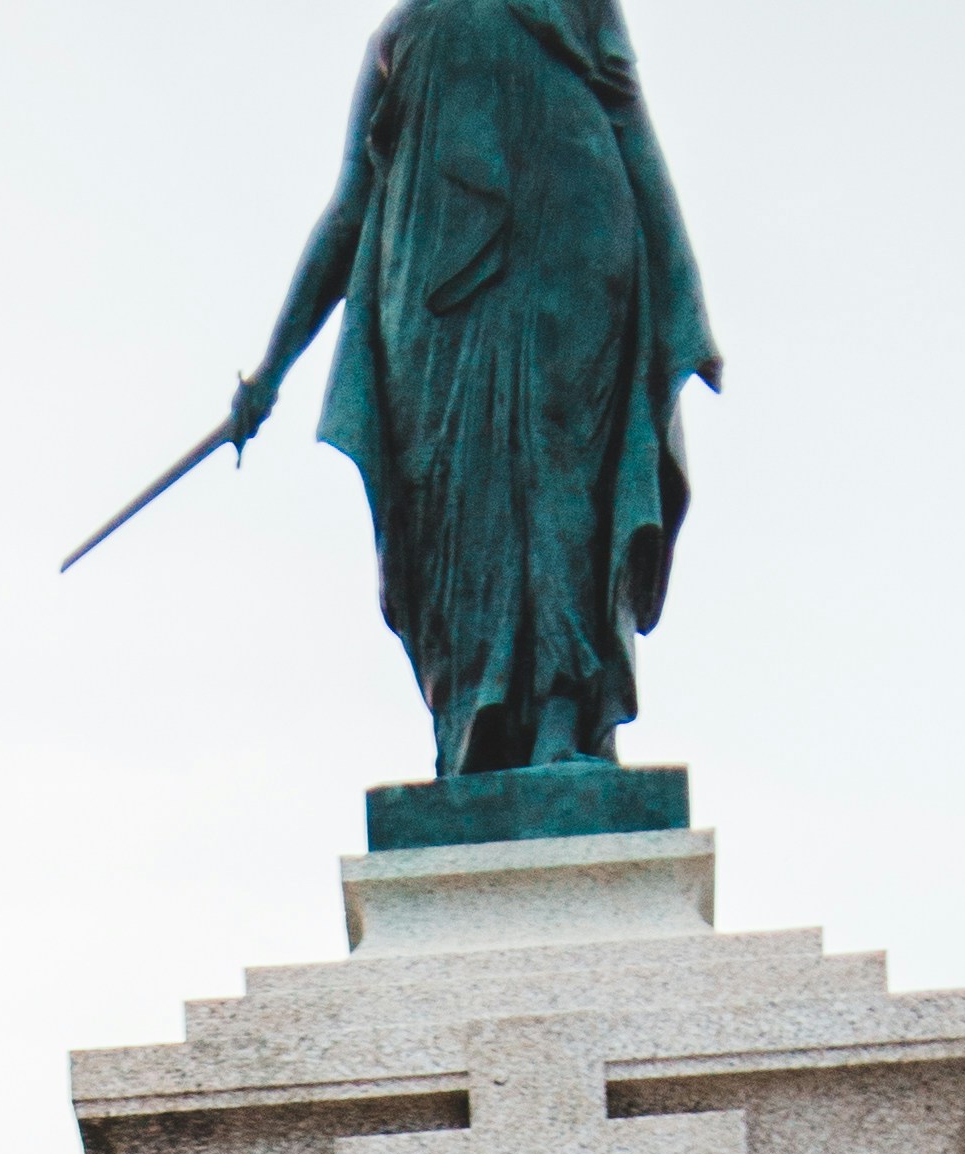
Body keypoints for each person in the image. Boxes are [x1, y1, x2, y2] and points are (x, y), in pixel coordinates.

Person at [228, 0, 718, 782]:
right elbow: (351, 206)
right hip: (431, 295)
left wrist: (684, 299)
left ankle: (565, 713)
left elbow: (630, 123)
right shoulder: (397, 35)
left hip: (573, 240)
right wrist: (270, 372)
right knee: (453, 498)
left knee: (559, 471)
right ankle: (474, 723)